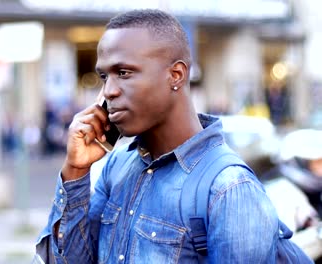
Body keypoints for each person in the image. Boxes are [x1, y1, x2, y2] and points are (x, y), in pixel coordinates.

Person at [35, 9, 281, 263]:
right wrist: (75, 170)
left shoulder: (229, 188)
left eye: (124, 73)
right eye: (104, 76)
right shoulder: (116, 167)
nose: (109, 91)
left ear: (176, 75)